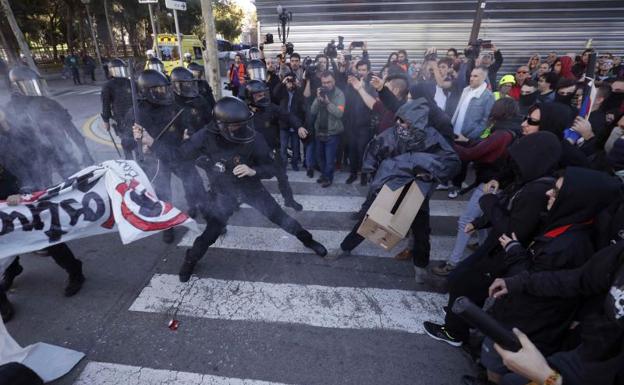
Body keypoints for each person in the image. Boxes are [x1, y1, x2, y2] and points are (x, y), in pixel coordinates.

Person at [136, 97, 329, 282]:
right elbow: (178, 156)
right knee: (211, 233)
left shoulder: (254, 138)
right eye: (237, 125)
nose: (243, 128)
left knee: (280, 217)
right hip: (223, 193)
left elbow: (273, 168)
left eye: (244, 123)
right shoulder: (205, 136)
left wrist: (254, 170)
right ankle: (190, 260)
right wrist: (152, 143)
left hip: (251, 189)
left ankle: (308, 240)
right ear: (222, 125)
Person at [476, 167, 621, 385]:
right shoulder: (569, 230)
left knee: (500, 368)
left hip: (530, 322)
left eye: (556, 191)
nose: (548, 193)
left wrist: (515, 253)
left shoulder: (571, 245)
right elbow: (573, 279)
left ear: (575, 200)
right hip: (536, 323)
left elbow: (544, 278)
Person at [423, 131, 562, 348]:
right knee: (464, 281)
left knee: (463, 282)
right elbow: (507, 209)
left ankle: (454, 332)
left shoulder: (537, 190)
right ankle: (463, 315)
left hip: (503, 253)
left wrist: (488, 200)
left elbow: (512, 228)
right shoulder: (529, 181)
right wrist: (479, 223)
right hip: (495, 247)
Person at [328, 99, 461, 283]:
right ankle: (345, 247)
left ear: (416, 121)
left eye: (403, 120)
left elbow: (451, 161)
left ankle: (420, 268)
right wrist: (379, 174)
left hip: (416, 190)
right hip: (391, 187)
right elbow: (373, 153)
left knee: (421, 230)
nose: (398, 123)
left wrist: (427, 170)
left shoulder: (431, 136)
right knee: (370, 219)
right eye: (398, 119)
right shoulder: (391, 135)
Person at [489, 241, 624, 385]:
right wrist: (520, 282)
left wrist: (546, 377)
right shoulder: (619, 253)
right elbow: (578, 279)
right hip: (586, 355)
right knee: (510, 380)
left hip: (599, 375)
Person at [432, 98, 521, 276]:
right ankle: (483, 253)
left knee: (466, 221)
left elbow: (472, 154)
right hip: (500, 182)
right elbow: (484, 147)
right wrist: (467, 141)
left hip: (490, 182)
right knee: (485, 221)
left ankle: (453, 263)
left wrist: (448, 143)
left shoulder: (501, 134)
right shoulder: (512, 130)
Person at [130, 69, 207, 240]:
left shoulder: (172, 106)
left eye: (164, 88)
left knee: (195, 185)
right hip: (157, 160)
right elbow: (126, 140)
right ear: (146, 91)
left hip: (177, 153)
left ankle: (208, 216)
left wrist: (188, 133)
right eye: (158, 90)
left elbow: (186, 123)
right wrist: (138, 143)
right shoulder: (137, 112)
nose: (163, 92)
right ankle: (167, 225)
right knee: (163, 194)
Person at [7, 66, 94, 179]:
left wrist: (85, 153)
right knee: (42, 191)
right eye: (29, 84)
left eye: (35, 84)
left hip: (61, 151)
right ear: (16, 87)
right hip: (36, 157)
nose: (34, 88)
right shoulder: (10, 110)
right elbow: (12, 141)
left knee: (77, 181)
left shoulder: (49, 103)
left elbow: (70, 129)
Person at [244, 79, 304, 211]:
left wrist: (299, 126)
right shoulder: (243, 110)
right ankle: (234, 203)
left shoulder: (271, 108)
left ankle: (289, 200)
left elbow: (288, 116)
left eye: (263, 93)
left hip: (272, 150)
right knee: (244, 178)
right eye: (258, 95)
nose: (262, 97)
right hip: (251, 153)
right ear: (250, 96)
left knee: (282, 177)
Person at [310, 71, 345, 188]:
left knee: (330, 159)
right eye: (324, 82)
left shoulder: (339, 94)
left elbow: (339, 113)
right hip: (319, 131)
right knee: (320, 157)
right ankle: (324, 175)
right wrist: (317, 98)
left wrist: (328, 103)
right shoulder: (320, 92)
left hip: (332, 133)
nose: (326, 85)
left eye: (329, 82)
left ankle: (328, 178)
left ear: (333, 81)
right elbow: (313, 111)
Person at [344, 60, 377, 185]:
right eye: (360, 70)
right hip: (352, 124)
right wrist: (349, 86)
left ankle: (363, 175)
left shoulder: (371, 84)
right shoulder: (352, 82)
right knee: (352, 150)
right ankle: (353, 174)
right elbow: (346, 100)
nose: (361, 72)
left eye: (364, 70)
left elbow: (373, 103)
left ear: (368, 71)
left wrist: (362, 88)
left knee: (363, 151)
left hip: (365, 125)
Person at [101, 58, 135, 159]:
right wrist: (106, 120)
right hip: (121, 119)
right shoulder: (108, 86)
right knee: (127, 142)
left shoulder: (130, 82)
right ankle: (130, 163)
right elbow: (105, 104)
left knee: (137, 142)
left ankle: (140, 163)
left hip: (134, 115)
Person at [273, 74, 306, 172]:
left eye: (292, 80)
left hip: (295, 124)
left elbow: (303, 101)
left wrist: (297, 85)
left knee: (296, 147)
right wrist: (282, 83)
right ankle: (283, 165)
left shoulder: (298, 92)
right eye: (288, 81)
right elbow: (275, 93)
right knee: (283, 147)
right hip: (284, 124)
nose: (290, 83)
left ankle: (295, 164)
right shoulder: (282, 91)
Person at [170, 66, 214, 137]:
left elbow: (210, 119)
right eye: (186, 84)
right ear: (176, 84)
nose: (189, 86)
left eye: (191, 83)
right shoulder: (171, 102)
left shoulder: (199, 98)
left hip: (202, 136)